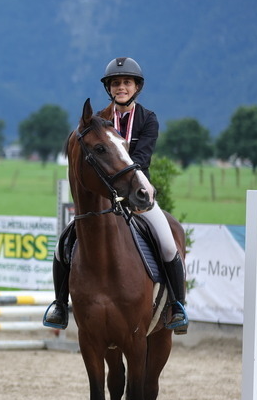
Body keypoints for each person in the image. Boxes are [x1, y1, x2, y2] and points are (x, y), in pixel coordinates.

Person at [43, 57, 188, 333]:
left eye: (126, 83)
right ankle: (60, 304)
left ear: (137, 87)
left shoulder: (148, 119)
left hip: (137, 193)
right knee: (62, 245)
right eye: (116, 83)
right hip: (104, 197)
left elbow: (141, 159)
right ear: (109, 88)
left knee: (169, 243)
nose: (121, 87)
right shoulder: (97, 120)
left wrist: (133, 188)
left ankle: (177, 306)